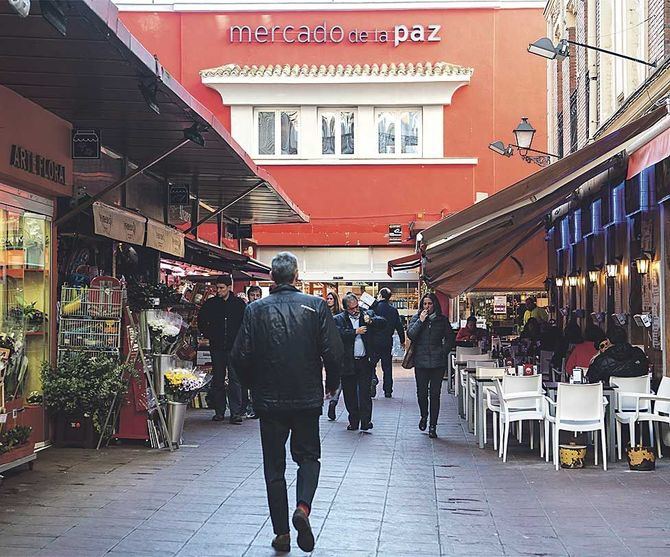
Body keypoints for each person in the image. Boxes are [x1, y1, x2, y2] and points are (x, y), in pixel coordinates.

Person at [231, 252, 343, 553]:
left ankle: (281, 533)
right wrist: (332, 384)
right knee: (308, 458)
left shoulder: (255, 310)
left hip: (269, 401)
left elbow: (238, 357)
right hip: (306, 398)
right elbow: (334, 352)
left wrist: (254, 387)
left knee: (274, 468)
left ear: (271, 278)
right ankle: (303, 508)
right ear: (296, 277)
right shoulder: (317, 306)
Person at [197, 274, 246, 424]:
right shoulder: (211, 304)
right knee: (218, 380)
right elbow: (201, 321)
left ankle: (236, 413)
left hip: (234, 348)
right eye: (217, 288)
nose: (218, 291)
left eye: (221, 288)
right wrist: (209, 334)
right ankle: (219, 411)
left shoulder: (239, 304)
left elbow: (245, 324)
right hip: (217, 347)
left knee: (235, 380)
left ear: (229, 287)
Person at [334, 293, 386, 431]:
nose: (355, 310)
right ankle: (354, 421)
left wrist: (371, 321)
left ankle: (366, 421)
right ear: (345, 309)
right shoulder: (338, 319)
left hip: (365, 361)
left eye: (356, 306)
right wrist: (355, 332)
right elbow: (337, 334)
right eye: (351, 309)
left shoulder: (366, 314)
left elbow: (383, 322)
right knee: (350, 394)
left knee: (364, 393)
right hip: (347, 362)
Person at [407, 293, 456, 439]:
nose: (427, 307)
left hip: (437, 362)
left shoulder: (442, 320)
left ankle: (433, 426)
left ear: (434, 305)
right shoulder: (417, 318)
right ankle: (424, 415)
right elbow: (410, 335)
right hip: (421, 362)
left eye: (429, 304)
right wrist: (420, 321)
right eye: (424, 304)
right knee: (421, 394)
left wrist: (443, 351)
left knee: (435, 394)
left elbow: (450, 338)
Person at [369, 288, 405, 398]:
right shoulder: (393, 310)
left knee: (371, 365)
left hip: (373, 342)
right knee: (387, 367)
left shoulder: (373, 308)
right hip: (386, 342)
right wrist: (402, 340)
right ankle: (388, 390)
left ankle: (373, 378)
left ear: (380, 295)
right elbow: (399, 326)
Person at [240, 285, 263, 419]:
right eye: (252, 295)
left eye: (257, 295)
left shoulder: (263, 309)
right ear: (248, 296)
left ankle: (256, 407)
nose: (255, 298)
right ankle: (243, 406)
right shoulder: (245, 309)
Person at [326, 292, 343, 421]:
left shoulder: (340, 314)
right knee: (332, 372)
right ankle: (332, 396)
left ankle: (334, 399)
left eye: (331, 298)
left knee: (340, 376)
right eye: (328, 298)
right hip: (328, 349)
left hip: (339, 348)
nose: (329, 300)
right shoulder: (324, 312)